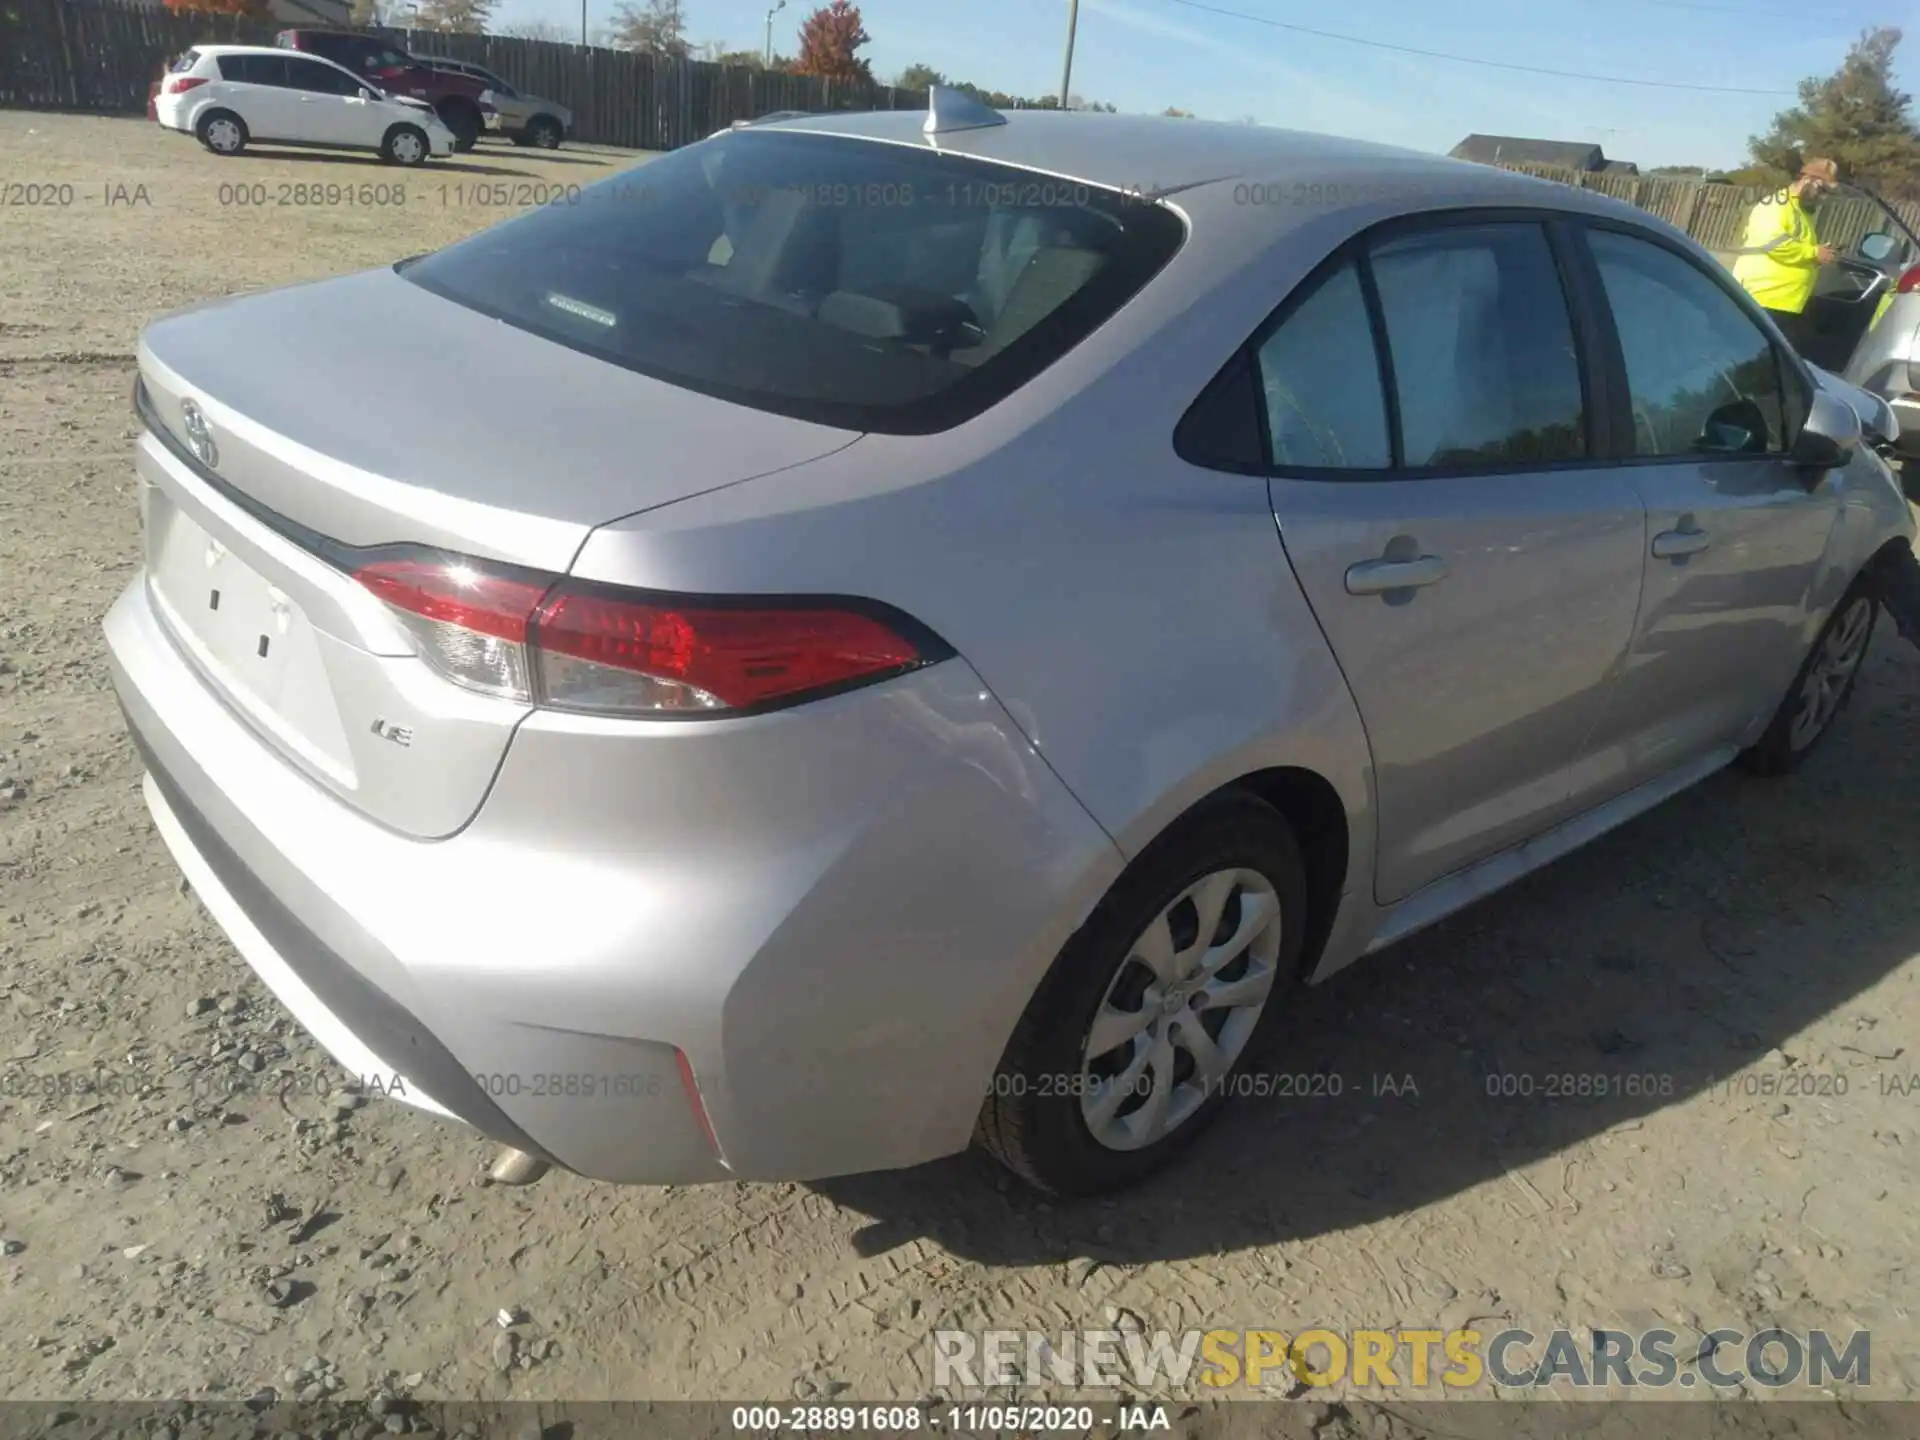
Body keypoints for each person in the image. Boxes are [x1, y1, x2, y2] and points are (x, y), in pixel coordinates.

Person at [1731, 157, 1842, 351]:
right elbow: (1773, 243)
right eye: (1822, 191)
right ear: (1808, 181)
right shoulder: (1776, 206)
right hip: (1764, 298)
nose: (1824, 198)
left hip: (1784, 301)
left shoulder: (1801, 212)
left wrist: (1818, 253)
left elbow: (1796, 247)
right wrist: (1814, 252)